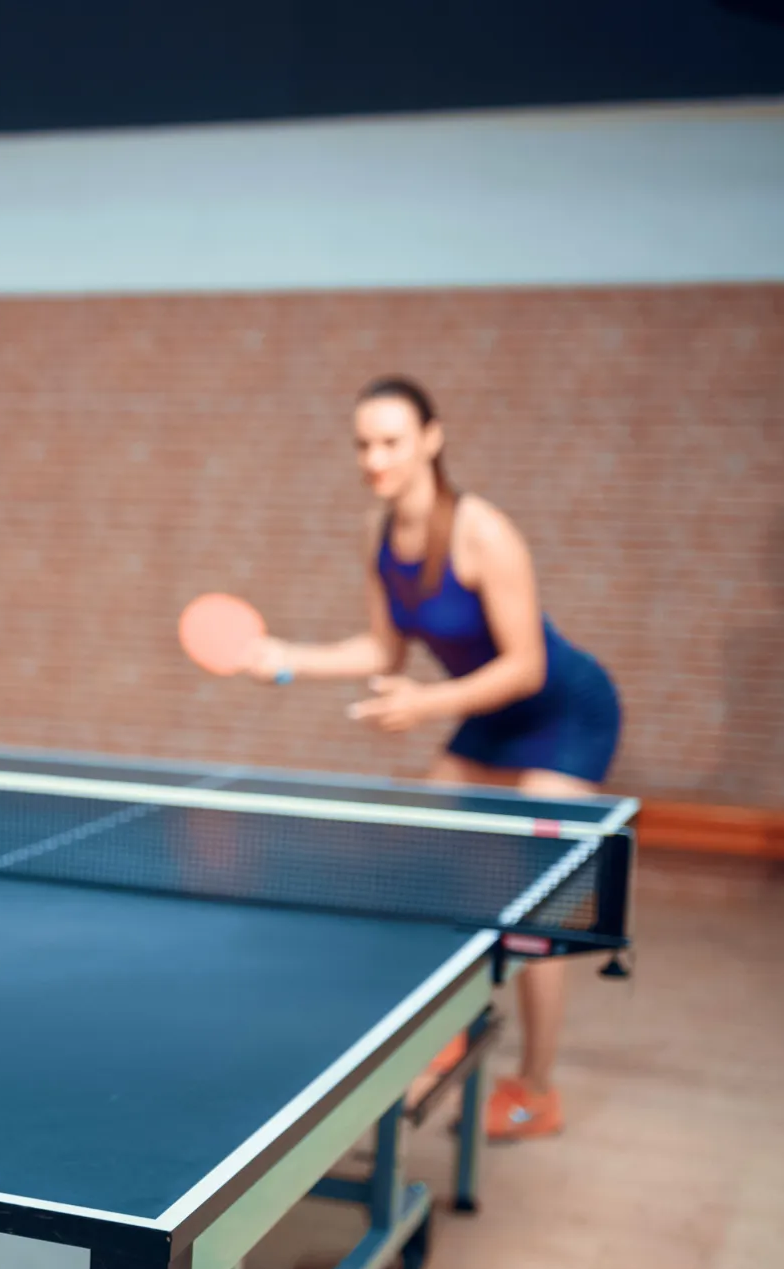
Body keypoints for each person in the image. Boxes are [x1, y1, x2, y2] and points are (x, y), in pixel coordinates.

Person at [242, 376, 620, 1142]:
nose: (375, 458)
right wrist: (283, 657)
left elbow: (526, 666)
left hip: (561, 714)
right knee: (421, 856)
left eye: (391, 441)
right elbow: (382, 648)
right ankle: (446, 1022)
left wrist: (423, 705)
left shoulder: (483, 533)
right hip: (483, 716)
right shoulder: (378, 532)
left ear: (431, 440)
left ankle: (536, 1088)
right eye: (364, 443)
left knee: (533, 894)